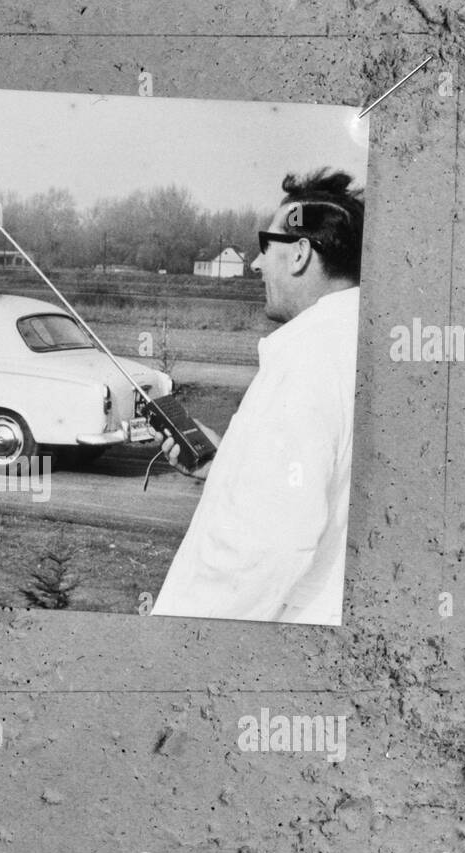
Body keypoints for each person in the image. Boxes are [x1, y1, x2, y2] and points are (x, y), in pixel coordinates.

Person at [150, 169, 363, 625]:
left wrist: (176, 639)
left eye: (266, 246)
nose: (256, 264)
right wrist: (224, 465)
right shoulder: (361, 345)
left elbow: (265, 545)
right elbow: (312, 490)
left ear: (300, 253)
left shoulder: (308, 360)